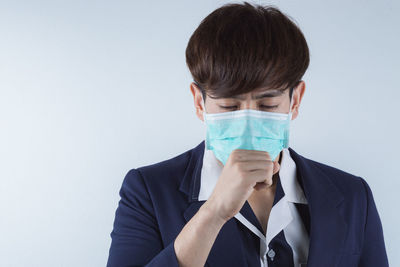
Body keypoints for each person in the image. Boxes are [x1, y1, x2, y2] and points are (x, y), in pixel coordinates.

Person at [107, 2, 389, 267]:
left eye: (267, 104)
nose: (248, 123)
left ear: (296, 100)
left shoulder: (353, 195)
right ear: (198, 101)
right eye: (229, 105)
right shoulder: (148, 191)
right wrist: (214, 211)